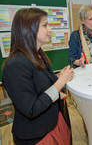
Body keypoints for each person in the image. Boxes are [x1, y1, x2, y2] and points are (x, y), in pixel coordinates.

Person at [2, 8, 74, 145]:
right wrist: (60, 82)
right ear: (29, 29)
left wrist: (60, 76)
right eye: (45, 25)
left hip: (53, 123)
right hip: (37, 136)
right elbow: (31, 109)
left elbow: (40, 84)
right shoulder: (15, 65)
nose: (50, 29)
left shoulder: (38, 55)